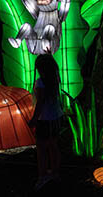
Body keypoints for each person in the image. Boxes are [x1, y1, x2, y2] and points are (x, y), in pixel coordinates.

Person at [29, 53, 63, 191]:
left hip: (44, 119)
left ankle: (42, 176)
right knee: (54, 147)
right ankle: (55, 173)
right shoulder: (55, 79)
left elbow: (40, 103)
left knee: (41, 149)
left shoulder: (40, 82)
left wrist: (33, 120)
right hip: (56, 117)